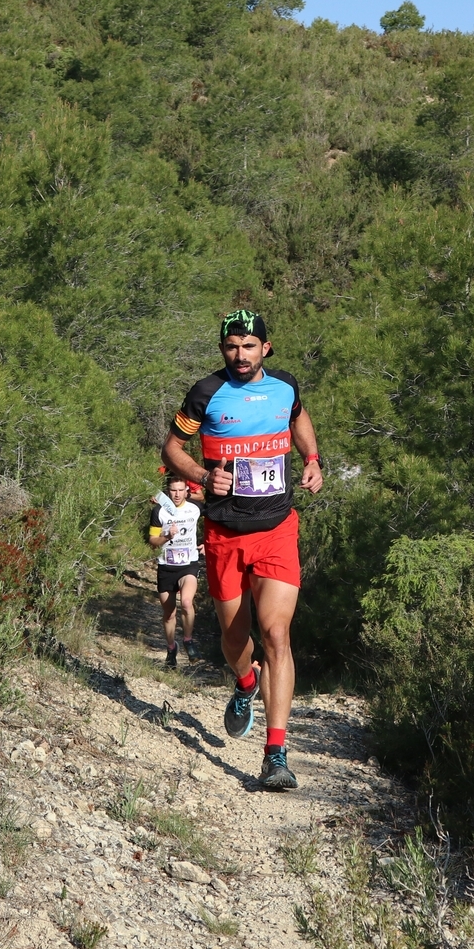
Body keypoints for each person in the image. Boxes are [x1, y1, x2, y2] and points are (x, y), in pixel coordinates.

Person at [162, 309, 322, 791]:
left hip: (277, 530)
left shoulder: (285, 387)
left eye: (249, 346)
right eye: (232, 346)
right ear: (222, 349)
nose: (240, 355)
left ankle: (276, 754)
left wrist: (312, 458)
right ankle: (246, 682)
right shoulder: (206, 393)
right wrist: (202, 475)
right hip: (225, 534)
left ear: (265, 349)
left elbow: (299, 417)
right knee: (235, 641)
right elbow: (171, 448)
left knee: (276, 634)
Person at [147, 476, 203, 668]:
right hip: (166, 566)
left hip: (188, 564)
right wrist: (167, 537)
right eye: (173, 490)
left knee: (186, 602)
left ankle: (188, 640)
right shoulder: (159, 511)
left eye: (180, 490)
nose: (177, 494)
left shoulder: (195, 507)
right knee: (169, 613)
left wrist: (208, 543)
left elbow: (215, 521)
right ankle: (171, 648)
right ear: (167, 491)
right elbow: (152, 541)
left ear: (187, 491)